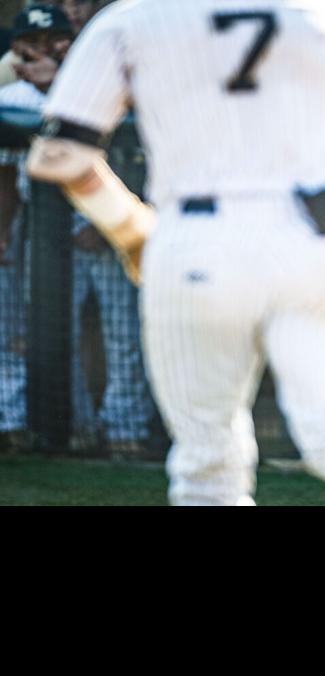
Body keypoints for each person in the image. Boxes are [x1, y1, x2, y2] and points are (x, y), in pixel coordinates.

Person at [28, 0, 325, 505]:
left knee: (207, 462)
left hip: (198, 238)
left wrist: (130, 230)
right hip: (321, 237)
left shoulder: (131, 17)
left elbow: (61, 156)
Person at [0, 2, 152, 460]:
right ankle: (71, 428)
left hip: (108, 220)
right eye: (32, 45)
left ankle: (126, 429)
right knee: (46, 332)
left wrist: (111, 225)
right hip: (42, 228)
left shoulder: (100, 85)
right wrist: (7, 230)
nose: (43, 51)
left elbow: (135, 161)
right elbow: (7, 176)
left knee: (122, 332)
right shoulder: (14, 99)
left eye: (54, 41)